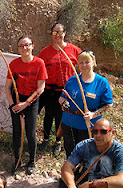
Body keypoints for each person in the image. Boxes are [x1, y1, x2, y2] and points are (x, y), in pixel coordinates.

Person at [5, 35, 47, 175]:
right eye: (21, 46)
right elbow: (7, 87)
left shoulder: (39, 63)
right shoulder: (14, 64)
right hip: (17, 101)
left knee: (30, 132)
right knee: (17, 132)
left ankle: (32, 162)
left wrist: (26, 104)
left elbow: (40, 88)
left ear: (32, 46)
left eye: (27, 45)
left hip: (32, 101)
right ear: (18, 48)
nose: (25, 48)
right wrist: (12, 105)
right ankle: (17, 161)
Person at [59, 50, 113, 157]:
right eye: (81, 63)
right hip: (69, 122)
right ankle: (72, 172)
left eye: (87, 62)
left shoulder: (101, 82)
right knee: (70, 152)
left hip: (89, 125)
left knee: (88, 153)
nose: (84, 65)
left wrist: (93, 114)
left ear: (93, 62)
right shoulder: (73, 80)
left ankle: (86, 173)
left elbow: (108, 104)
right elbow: (61, 98)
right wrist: (63, 102)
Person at [38, 23, 82, 156]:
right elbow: (40, 70)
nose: (57, 35)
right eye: (54, 32)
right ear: (51, 34)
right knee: (48, 115)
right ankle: (45, 139)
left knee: (60, 116)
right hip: (49, 89)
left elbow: (84, 65)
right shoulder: (45, 52)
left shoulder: (74, 50)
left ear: (64, 33)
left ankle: (58, 141)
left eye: (60, 32)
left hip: (65, 90)